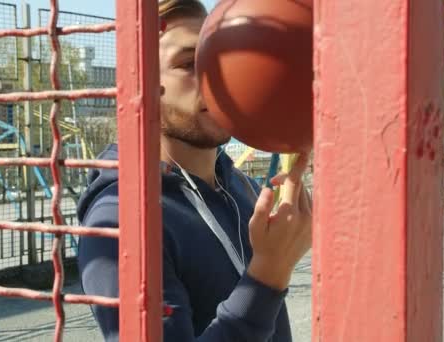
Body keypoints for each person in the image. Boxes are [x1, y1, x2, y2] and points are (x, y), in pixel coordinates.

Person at [76, 0, 312, 341]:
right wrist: (269, 275)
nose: (216, 79)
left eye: (219, 59)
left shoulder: (238, 185)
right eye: (189, 64)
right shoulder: (119, 220)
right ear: (141, 83)